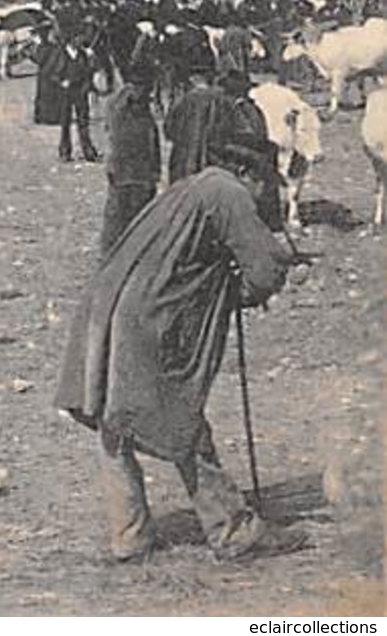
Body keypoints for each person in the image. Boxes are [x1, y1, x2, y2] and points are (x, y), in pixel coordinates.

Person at [55, 133, 310, 563]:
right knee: (182, 419)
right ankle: (234, 530)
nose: (266, 192)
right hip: (150, 319)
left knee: (114, 421)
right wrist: (241, 288)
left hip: (109, 308)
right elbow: (264, 270)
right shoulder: (228, 193)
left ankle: (128, 535)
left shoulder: (191, 187)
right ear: (247, 173)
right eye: (266, 182)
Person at [101, 73, 161, 256]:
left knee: (132, 214)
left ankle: (128, 251)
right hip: (126, 172)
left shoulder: (136, 110)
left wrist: (155, 171)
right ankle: (115, 253)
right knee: (120, 215)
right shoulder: (124, 109)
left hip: (137, 173)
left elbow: (153, 142)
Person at [58, 32, 102, 163]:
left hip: (80, 91)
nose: (81, 41)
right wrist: (61, 81)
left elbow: (90, 71)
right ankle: (65, 150)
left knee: (83, 121)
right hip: (66, 92)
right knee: (65, 122)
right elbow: (53, 73)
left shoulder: (83, 54)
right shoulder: (61, 54)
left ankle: (87, 149)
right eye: (78, 38)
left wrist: (92, 59)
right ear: (71, 40)